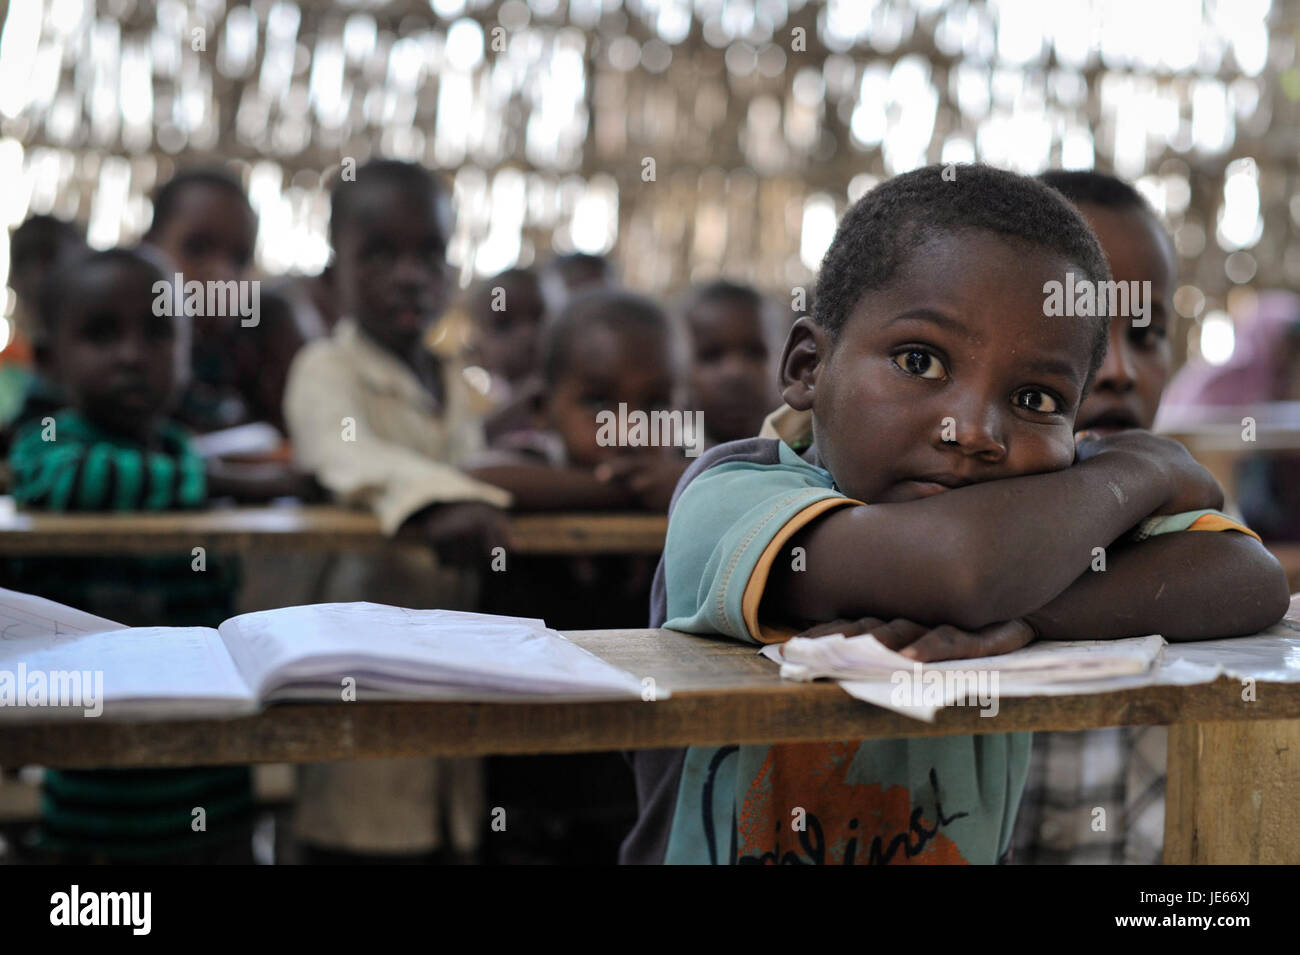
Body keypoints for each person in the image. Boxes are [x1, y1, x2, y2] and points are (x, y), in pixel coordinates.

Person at [619, 164, 1289, 865]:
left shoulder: (1045, 524)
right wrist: (1145, 469)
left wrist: (1032, 617)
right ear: (808, 366)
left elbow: (1250, 576)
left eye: (1034, 400)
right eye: (920, 361)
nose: (973, 431)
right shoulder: (729, 497)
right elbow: (964, 572)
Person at [2, 249, 308, 861]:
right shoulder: (47, 444)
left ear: (187, 352)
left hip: (212, 767)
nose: (131, 355)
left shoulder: (179, 447)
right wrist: (228, 482)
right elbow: (78, 480)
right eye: (101, 334)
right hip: (96, 792)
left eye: (158, 333)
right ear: (51, 360)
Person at [283, 159, 511, 863]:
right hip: (360, 665)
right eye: (379, 255)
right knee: (363, 823)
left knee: (447, 826)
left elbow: (484, 464)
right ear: (334, 274)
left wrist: (476, 488)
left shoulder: (457, 381)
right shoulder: (324, 368)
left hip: (456, 670)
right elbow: (343, 453)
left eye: (429, 255)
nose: (410, 276)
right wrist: (445, 499)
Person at [1011, 169, 1179, 865]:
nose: (1118, 370)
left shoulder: (1194, 530)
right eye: (1080, 330)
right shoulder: (914, 517)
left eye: (1147, 333)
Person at [142, 166, 304, 434]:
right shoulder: (118, 349)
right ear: (149, 247)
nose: (221, 274)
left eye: (239, 260)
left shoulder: (254, 352)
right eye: (197, 248)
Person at [679, 280, 786, 448]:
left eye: (754, 352)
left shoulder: (815, 458)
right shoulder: (653, 457)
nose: (736, 372)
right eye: (712, 355)